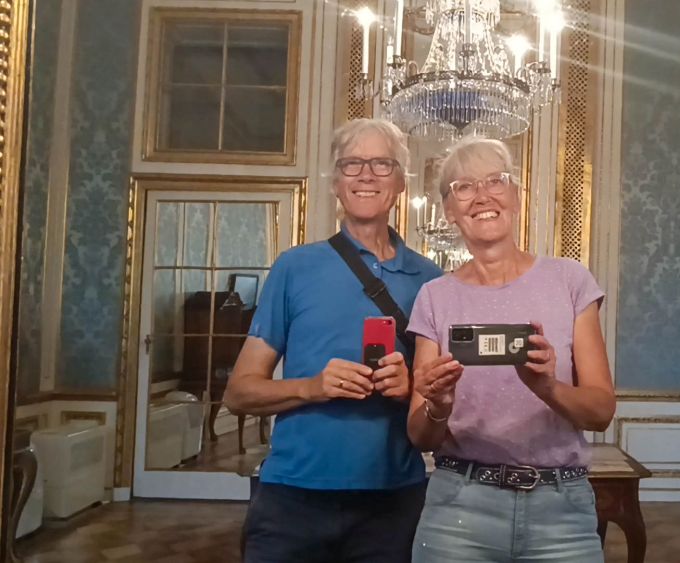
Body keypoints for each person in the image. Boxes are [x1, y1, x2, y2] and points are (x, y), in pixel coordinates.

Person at [224, 118, 442, 563]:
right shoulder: (294, 268)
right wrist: (311, 387)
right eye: (352, 164)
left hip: (394, 500)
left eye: (382, 164)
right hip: (291, 497)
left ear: (401, 182)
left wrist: (409, 392)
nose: (366, 174)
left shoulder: (432, 281)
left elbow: (442, 407)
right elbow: (239, 393)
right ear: (335, 183)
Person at [405, 137, 616, 563]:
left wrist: (547, 387)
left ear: (516, 197)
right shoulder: (434, 297)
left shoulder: (570, 281)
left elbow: (600, 411)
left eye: (495, 181)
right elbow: (419, 435)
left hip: (562, 512)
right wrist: (439, 405)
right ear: (449, 210)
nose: (482, 196)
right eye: (463, 187)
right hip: (458, 512)